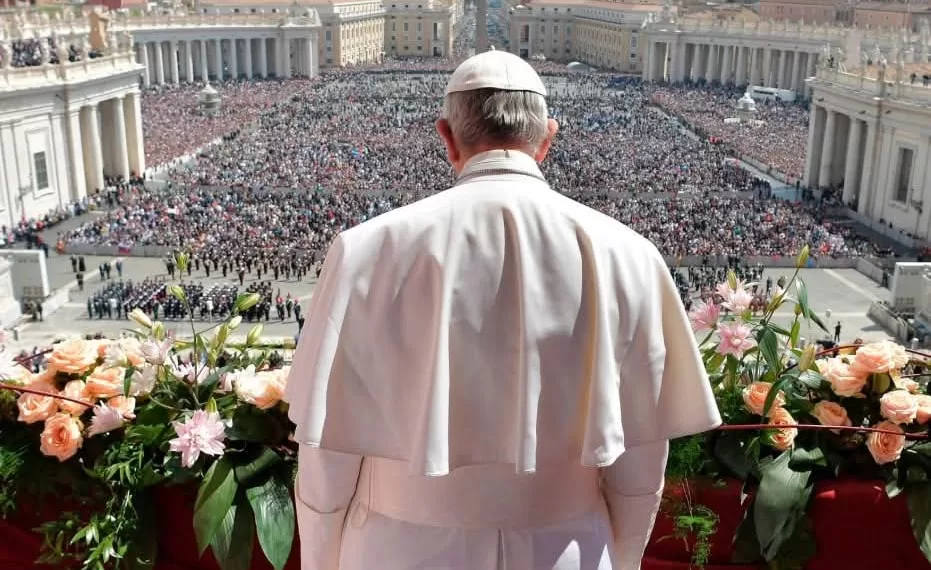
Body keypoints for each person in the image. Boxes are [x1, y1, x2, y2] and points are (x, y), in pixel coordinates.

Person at [286, 49, 721, 570]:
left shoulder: (365, 250)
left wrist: (319, 559)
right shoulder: (630, 254)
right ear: (547, 140)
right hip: (568, 549)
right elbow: (640, 469)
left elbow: (327, 459)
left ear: (447, 138)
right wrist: (620, 557)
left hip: (397, 549)